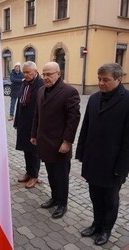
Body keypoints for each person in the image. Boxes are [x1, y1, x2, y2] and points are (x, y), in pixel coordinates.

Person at [76, 63, 129, 246]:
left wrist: (122, 167)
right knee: (95, 196)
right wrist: (81, 152)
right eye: (99, 79)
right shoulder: (94, 98)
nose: (100, 83)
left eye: (105, 80)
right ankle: (96, 224)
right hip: (93, 159)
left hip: (113, 164)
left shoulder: (127, 100)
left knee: (110, 200)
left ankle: (106, 230)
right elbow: (86, 128)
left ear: (118, 79)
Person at [31, 62, 80, 219]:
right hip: (45, 141)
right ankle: (54, 197)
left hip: (60, 144)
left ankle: (62, 204)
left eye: (49, 74)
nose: (46, 77)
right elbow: (37, 115)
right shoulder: (40, 91)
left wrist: (67, 141)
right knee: (51, 174)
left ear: (59, 74)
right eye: (44, 74)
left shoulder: (69, 92)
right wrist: (33, 134)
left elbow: (73, 120)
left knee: (61, 176)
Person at [14, 61, 43, 189]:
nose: (25, 75)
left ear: (35, 72)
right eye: (24, 72)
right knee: (26, 149)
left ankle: (34, 176)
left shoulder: (41, 85)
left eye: (28, 72)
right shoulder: (24, 83)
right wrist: (16, 121)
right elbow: (19, 103)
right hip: (23, 122)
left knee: (34, 151)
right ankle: (28, 172)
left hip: (35, 122)